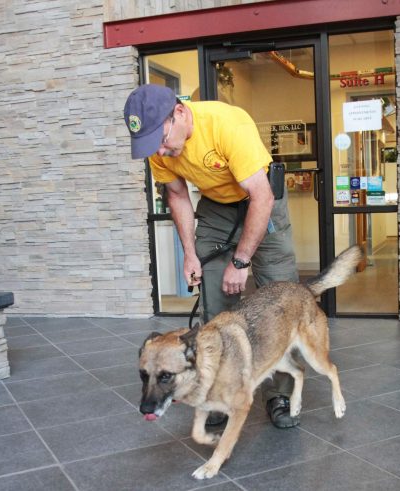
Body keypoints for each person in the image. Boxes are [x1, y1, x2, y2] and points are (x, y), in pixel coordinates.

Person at [124, 84, 301, 427]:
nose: (159, 150)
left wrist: (241, 261)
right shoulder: (159, 146)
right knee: (214, 301)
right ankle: (222, 392)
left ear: (178, 113)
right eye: (151, 145)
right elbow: (176, 196)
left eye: (161, 140)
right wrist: (190, 254)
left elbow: (260, 197)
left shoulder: (227, 124)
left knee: (282, 302)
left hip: (262, 201)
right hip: (218, 207)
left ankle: (280, 392)